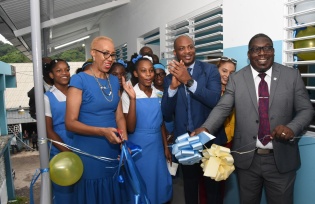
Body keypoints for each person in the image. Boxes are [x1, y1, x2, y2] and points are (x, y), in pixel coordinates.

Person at [192, 33, 315, 204]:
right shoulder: (237, 79)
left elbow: (306, 109)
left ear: (273, 51)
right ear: (249, 55)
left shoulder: (291, 76)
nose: (262, 53)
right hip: (248, 161)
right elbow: (223, 107)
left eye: (267, 48)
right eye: (256, 49)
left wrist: (292, 128)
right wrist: (206, 128)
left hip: (282, 159)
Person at [161, 34, 226, 204]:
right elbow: (166, 113)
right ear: (176, 53)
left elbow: (214, 101)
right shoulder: (169, 78)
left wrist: (188, 81)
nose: (187, 51)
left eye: (190, 46)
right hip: (185, 141)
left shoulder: (210, 70)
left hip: (210, 140)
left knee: (213, 189)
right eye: (182, 48)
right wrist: (173, 88)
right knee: (190, 187)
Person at [65, 36, 128, 204]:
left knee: (112, 191)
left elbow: (119, 115)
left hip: (112, 149)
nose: (110, 59)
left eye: (112, 55)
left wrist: (125, 140)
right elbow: (70, 123)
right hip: (89, 152)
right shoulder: (79, 80)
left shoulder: (114, 80)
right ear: (93, 53)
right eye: (105, 54)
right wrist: (101, 131)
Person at [121, 56, 172, 203]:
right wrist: (132, 99)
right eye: (143, 71)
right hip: (139, 146)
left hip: (156, 144)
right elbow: (130, 127)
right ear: (136, 74)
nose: (149, 74)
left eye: (151, 71)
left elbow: (161, 122)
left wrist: (165, 147)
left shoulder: (159, 93)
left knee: (159, 181)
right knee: (142, 181)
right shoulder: (129, 94)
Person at [44, 59, 74, 203]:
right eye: (59, 70)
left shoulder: (77, 92)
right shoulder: (47, 97)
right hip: (60, 147)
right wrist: (67, 151)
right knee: (65, 192)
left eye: (67, 69)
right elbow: (48, 131)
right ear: (51, 75)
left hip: (80, 143)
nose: (64, 73)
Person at [217, 56, 237, 147]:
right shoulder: (209, 93)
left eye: (231, 73)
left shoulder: (236, 92)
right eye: (224, 71)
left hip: (233, 139)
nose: (227, 75)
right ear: (217, 70)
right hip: (216, 139)